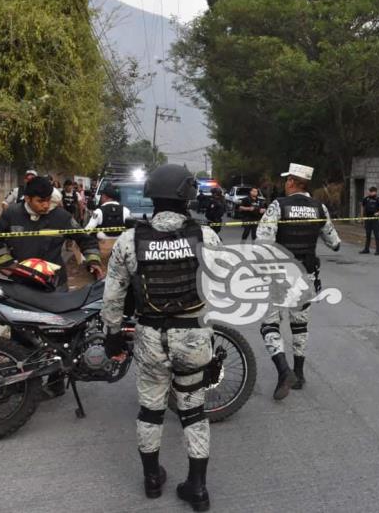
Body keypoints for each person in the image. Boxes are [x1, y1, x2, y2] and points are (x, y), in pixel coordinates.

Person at [101, 164, 222, 510]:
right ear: (187, 195)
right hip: (194, 337)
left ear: (152, 194)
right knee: (194, 411)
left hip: (150, 338)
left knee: (151, 410)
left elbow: (112, 296)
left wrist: (111, 334)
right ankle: (197, 489)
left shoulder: (130, 239)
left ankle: (152, 481)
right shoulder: (207, 237)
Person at [257, 163, 341, 400]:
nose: (285, 184)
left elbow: (263, 243)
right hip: (306, 275)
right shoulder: (319, 207)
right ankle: (300, 374)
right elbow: (335, 243)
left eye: (287, 180)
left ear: (293, 182)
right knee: (300, 325)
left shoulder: (278, 206)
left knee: (269, 324)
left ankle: (284, 371)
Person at [0, 176, 104, 291]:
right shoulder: (12, 214)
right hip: (22, 282)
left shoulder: (61, 217)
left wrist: (93, 261)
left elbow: (85, 240)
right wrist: (7, 263)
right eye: (40, 201)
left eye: (48, 199)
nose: (46, 205)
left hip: (55, 284)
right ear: (28, 199)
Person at [85, 184, 130, 267]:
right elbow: (130, 230)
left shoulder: (98, 211)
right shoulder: (126, 210)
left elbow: (88, 229)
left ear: (105, 197)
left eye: (102, 196)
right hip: (120, 247)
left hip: (103, 247)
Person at [359, 186, 379, 255]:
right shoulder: (366, 199)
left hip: (375, 219)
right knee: (368, 234)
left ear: (375, 192)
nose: (369, 193)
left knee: (376, 235)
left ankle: (378, 250)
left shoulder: (378, 199)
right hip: (367, 219)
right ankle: (366, 249)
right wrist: (361, 217)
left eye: (371, 192)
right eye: (369, 191)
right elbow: (362, 206)